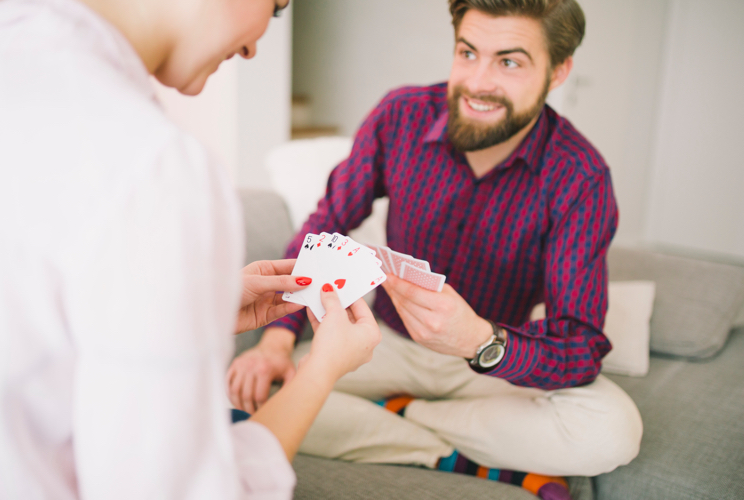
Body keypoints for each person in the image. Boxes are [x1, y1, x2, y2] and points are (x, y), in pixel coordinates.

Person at [228, 0, 643, 497]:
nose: (478, 81)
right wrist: (276, 340)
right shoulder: (399, 115)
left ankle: (406, 416)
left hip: (489, 365)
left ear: (558, 72)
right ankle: (458, 454)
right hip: (382, 345)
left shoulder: (581, 177)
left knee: (612, 430)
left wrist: (480, 341)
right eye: (468, 53)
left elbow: (579, 344)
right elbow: (329, 221)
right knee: (254, 392)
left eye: (509, 62)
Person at [0, 0, 380, 499]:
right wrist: (321, 369)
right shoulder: (154, 165)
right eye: (277, 8)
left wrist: (190, 311)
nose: (254, 46)